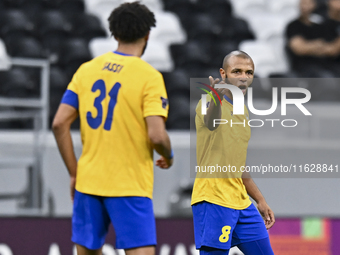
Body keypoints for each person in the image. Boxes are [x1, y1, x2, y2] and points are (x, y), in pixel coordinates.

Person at [52, 2, 173, 255]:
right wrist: (168, 155)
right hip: (129, 186)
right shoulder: (149, 77)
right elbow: (157, 135)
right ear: (147, 35)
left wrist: (75, 173)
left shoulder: (86, 70)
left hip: (88, 184)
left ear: (114, 34)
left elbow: (59, 123)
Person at [191, 51, 275, 255]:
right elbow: (211, 122)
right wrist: (216, 97)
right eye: (236, 71)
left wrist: (260, 199)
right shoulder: (208, 103)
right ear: (224, 73)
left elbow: (237, 163)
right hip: (214, 199)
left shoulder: (242, 111)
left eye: (249, 72)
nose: (243, 76)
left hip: (241, 202)